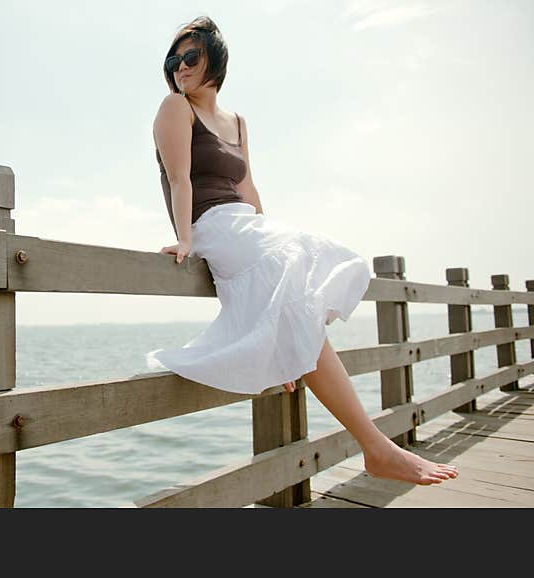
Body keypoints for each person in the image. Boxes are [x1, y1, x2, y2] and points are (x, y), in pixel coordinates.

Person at [145, 16, 458, 486]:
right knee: (293, 288)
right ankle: (377, 448)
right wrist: (187, 239)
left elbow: (248, 187)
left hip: (246, 227)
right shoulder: (175, 107)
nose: (181, 67)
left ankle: (292, 349)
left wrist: (270, 231)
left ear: (215, 58)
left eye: (191, 56)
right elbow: (178, 177)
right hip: (210, 225)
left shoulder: (237, 122)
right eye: (174, 60)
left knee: (323, 258)